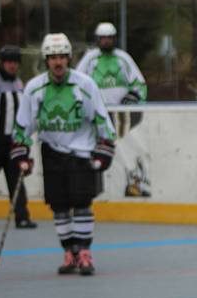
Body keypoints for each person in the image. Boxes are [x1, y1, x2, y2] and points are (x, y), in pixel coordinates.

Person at [12, 33, 116, 276]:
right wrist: (21, 153)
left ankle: (85, 253)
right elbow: (23, 125)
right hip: (51, 152)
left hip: (82, 152)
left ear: (69, 58)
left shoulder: (85, 84)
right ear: (46, 60)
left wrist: (104, 150)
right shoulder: (34, 88)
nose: (58, 62)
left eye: (62, 57)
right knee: (58, 206)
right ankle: (70, 252)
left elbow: (102, 118)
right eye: (52, 57)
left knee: (82, 203)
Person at [76, 22, 150, 197]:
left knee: (124, 150)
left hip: (121, 117)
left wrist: (133, 97)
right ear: (97, 39)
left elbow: (140, 84)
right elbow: (77, 83)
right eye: (103, 38)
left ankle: (132, 184)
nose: (106, 41)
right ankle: (95, 189)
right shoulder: (90, 59)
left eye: (109, 38)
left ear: (114, 39)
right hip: (97, 116)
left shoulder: (123, 58)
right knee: (96, 152)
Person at [0, 45, 36, 228]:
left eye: (15, 63)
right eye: (9, 62)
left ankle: (22, 217)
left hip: (14, 140)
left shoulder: (19, 84)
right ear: (2, 63)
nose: (12, 66)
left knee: (16, 178)